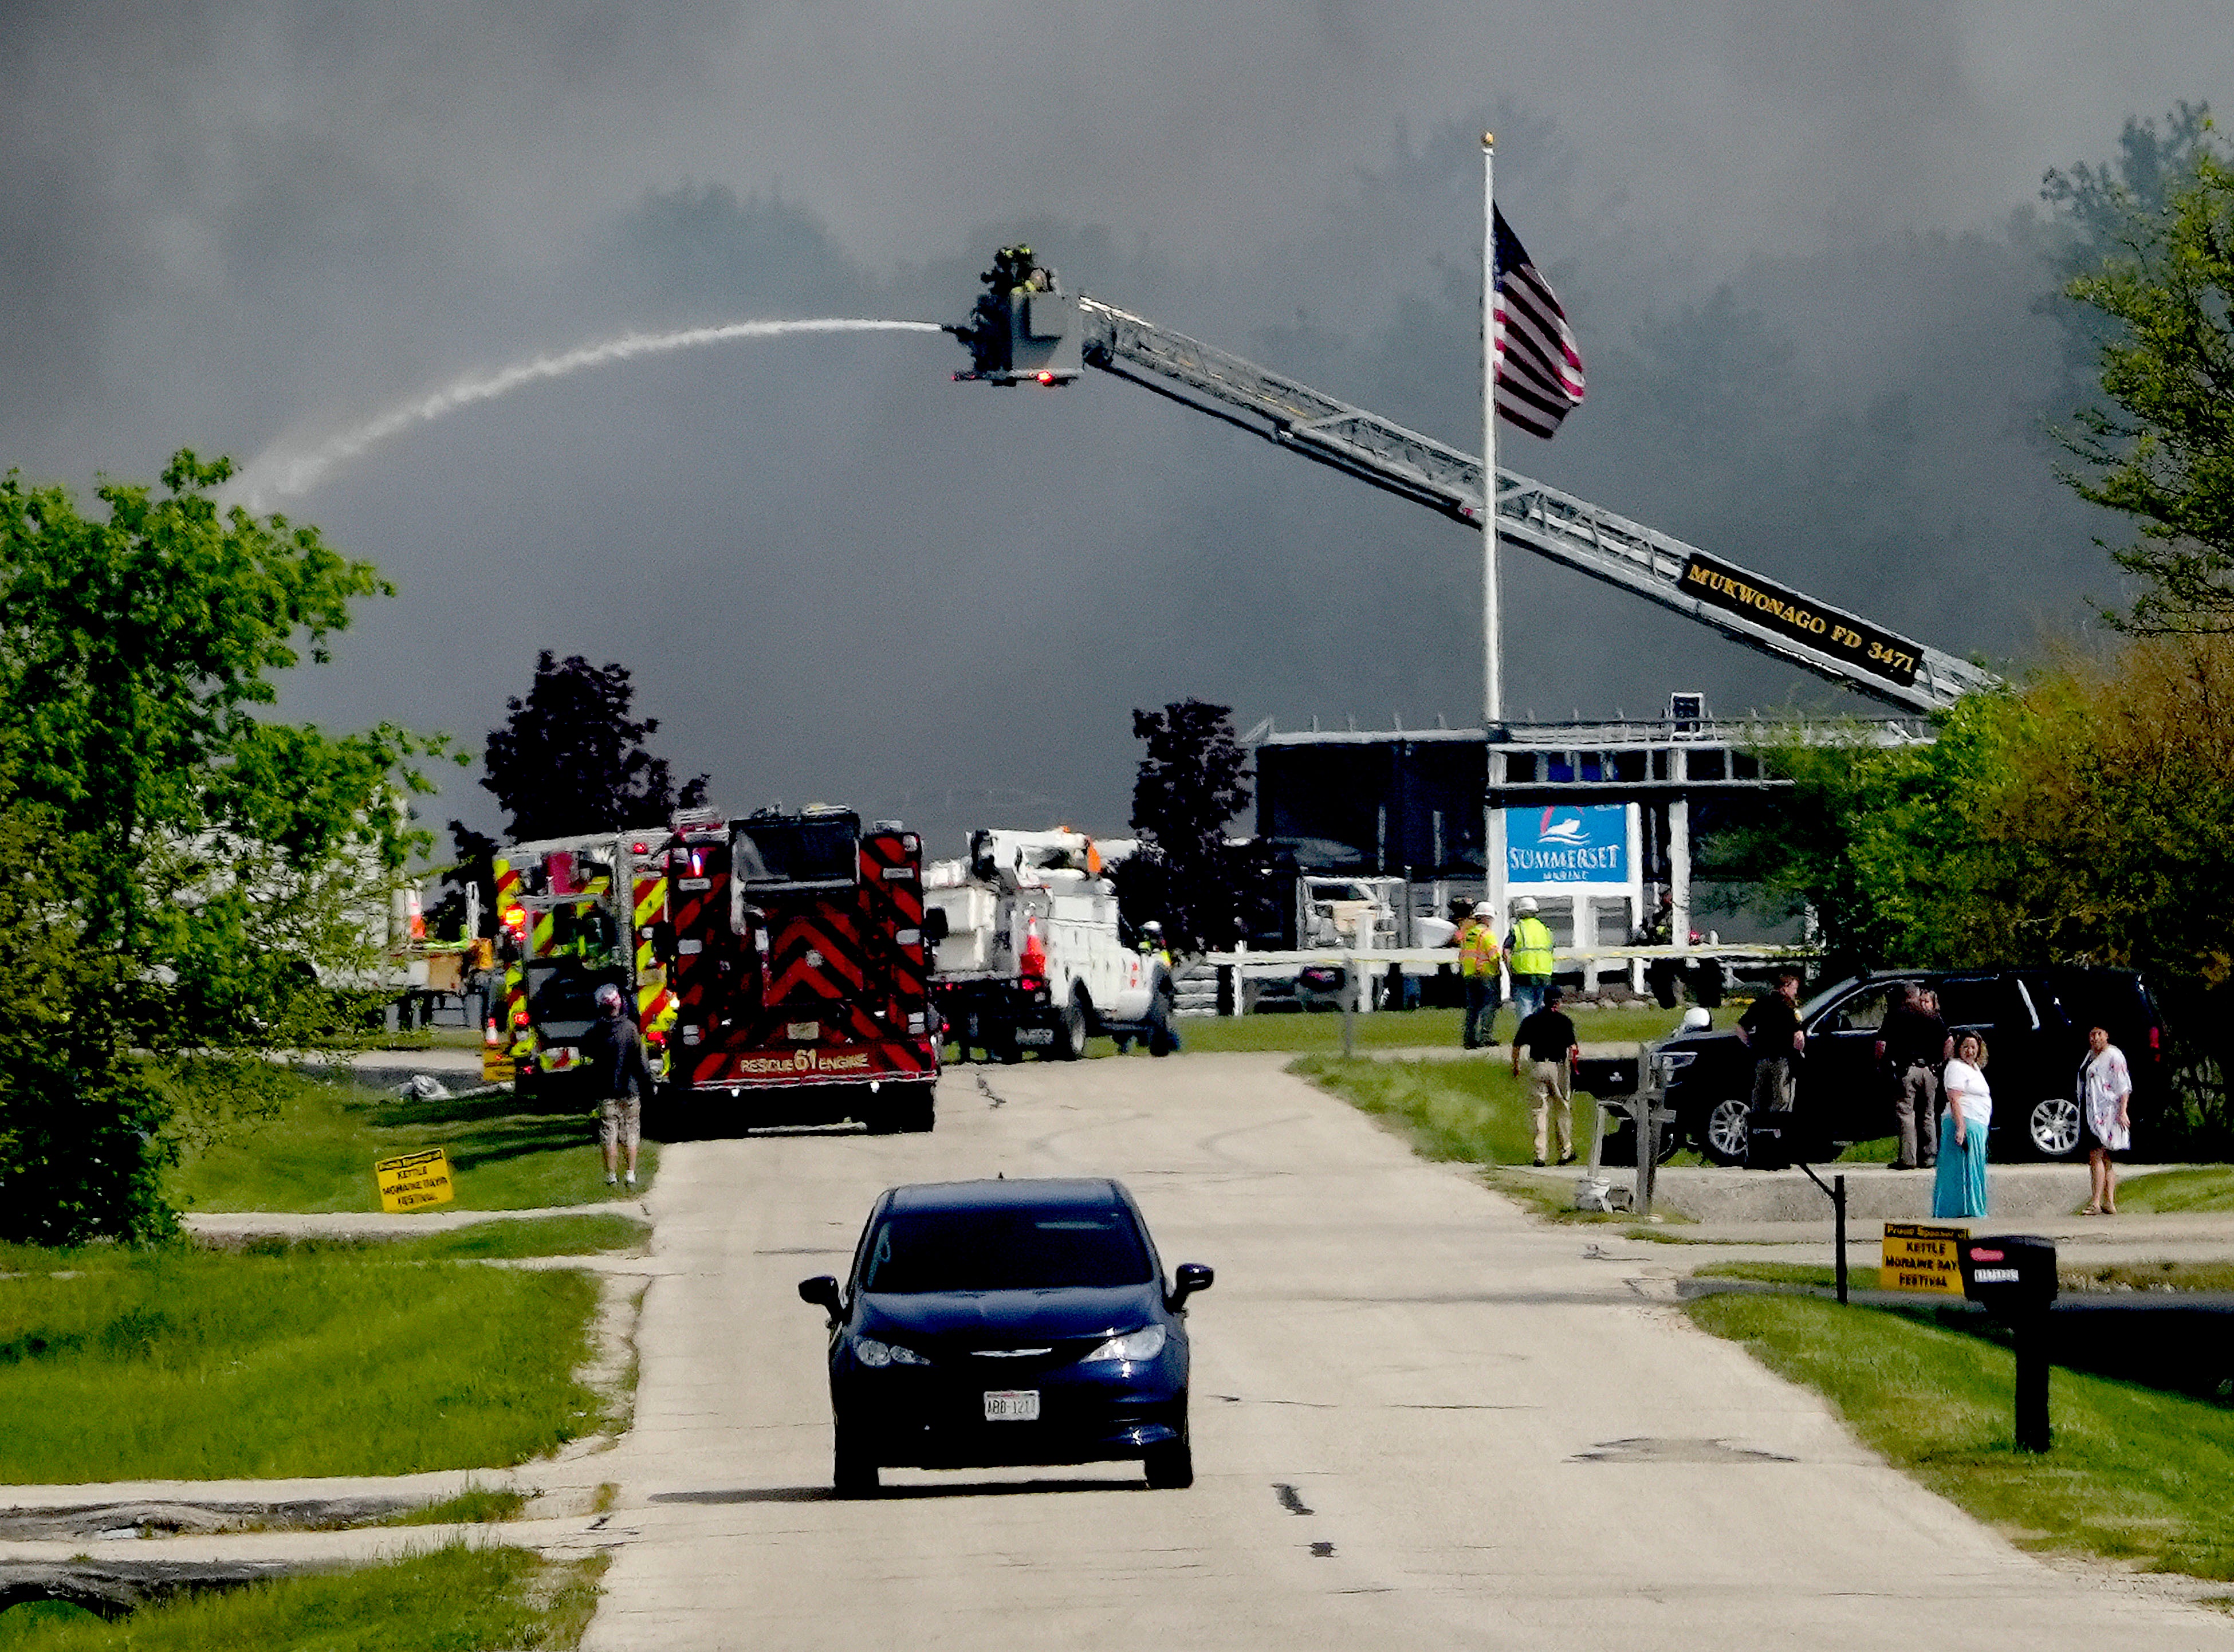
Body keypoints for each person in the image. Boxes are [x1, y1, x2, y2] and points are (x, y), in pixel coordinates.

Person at [584, 982, 656, 1189]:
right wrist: (649, 1085)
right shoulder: (631, 1029)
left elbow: (585, 1050)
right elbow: (641, 1063)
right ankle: (631, 1173)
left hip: (606, 1090)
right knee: (631, 1131)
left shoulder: (595, 1032)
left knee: (609, 1133)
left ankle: (611, 1176)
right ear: (620, 1004)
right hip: (630, 1090)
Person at [1879, 982, 1952, 1171]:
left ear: (1904, 997)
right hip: (1929, 1071)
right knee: (1928, 1114)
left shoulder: (1896, 1014)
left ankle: (1908, 1159)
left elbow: (1881, 1045)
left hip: (1906, 1070)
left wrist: (1882, 1063)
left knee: (1906, 1114)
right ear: (1917, 995)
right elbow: (1949, 1041)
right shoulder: (1932, 1015)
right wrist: (1940, 1065)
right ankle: (1930, 1157)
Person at [1736, 970, 1807, 1161]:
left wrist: (1751, 1045)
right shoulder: (1790, 1008)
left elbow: (1741, 1028)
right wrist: (1800, 1053)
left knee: (1758, 1101)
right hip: (1782, 1060)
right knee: (1781, 1101)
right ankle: (1778, 1146)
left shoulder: (1761, 1004)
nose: (1795, 993)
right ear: (1785, 987)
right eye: (1794, 989)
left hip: (1761, 1059)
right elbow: (1798, 1037)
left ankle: (1756, 1143)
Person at [1512, 986, 1581, 1167]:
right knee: (1562, 1110)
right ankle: (1565, 1151)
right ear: (1558, 1002)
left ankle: (1540, 1155)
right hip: (1558, 1068)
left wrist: (1516, 1066)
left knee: (1539, 1112)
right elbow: (1573, 1049)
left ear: (1544, 1000)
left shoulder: (1532, 1020)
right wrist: (1575, 1070)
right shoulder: (1564, 1022)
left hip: (1537, 1066)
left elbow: (1517, 1045)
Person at [1933, 1032, 1992, 1218]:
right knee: (1959, 1170)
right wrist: (1961, 1127)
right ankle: (1958, 1210)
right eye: (1966, 1046)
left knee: (1975, 1169)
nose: (1970, 1051)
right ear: (1959, 1048)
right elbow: (1955, 1099)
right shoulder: (1956, 1067)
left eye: (1973, 1047)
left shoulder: (1974, 1068)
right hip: (1964, 1122)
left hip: (1978, 1124)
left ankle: (1974, 1208)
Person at [2078, 1025, 2133, 1216]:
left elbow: (2123, 1086)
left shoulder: (2114, 1056)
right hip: (2092, 1112)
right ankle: (2109, 1202)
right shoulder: (2091, 1056)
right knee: (2104, 1157)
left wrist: (2123, 1111)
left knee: (2097, 1155)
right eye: (2092, 1035)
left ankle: (2096, 1202)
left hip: (2107, 1113)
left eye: (2099, 1034)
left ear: (2107, 1035)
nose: (2095, 1039)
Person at [1456, 901, 1503, 1050]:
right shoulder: (1487, 934)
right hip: (1486, 974)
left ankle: (1469, 1039)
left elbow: (1462, 955)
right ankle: (1485, 1037)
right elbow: (1494, 956)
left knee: (1473, 1008)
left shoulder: (1468, 934)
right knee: (1489, 1006)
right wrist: (1499, 971)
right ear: (1487, 918)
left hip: (1469, 974)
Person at [1503, 897, 1555, 1023]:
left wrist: (1510, 969)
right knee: (1541, 1006)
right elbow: (1551, 950)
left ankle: (1527, 1035)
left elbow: (1506, 951)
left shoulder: (1518, 929)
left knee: (1525, 1006)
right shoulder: (1545, 929)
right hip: (1544, 973)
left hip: (1523, 973)